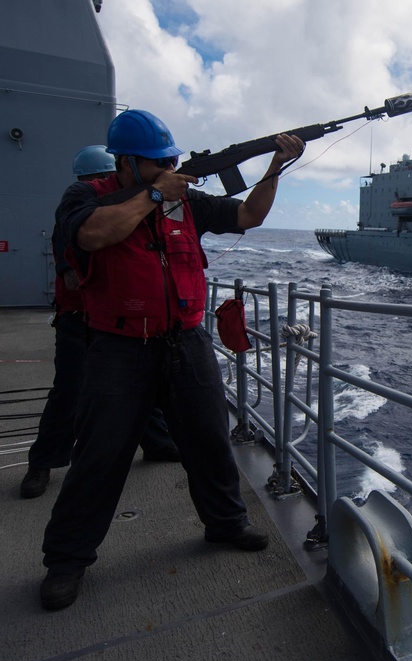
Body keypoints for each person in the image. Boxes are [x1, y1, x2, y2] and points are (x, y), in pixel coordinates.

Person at [39, 110, 305, 611]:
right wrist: (158, 195)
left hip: (185, 339)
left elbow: (249, 217)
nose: (169, 166)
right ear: (126, 163)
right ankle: (66, 560)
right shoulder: (87, 197)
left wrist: (274, 167)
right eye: (159, 161)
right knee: (100, 453)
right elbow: (92, 236)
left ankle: (225, 524)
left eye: (172, 160)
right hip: (118, 346)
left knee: (209, 438)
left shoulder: (190, 202)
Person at [19, 145, 181, 500]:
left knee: (144, 386)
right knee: (70, 391)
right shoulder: (78, 209)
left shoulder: (127, 210)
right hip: (81, 317)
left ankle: (156, 442)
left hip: (117, 316)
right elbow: (73, 258)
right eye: (100, 180)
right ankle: (42, 462)